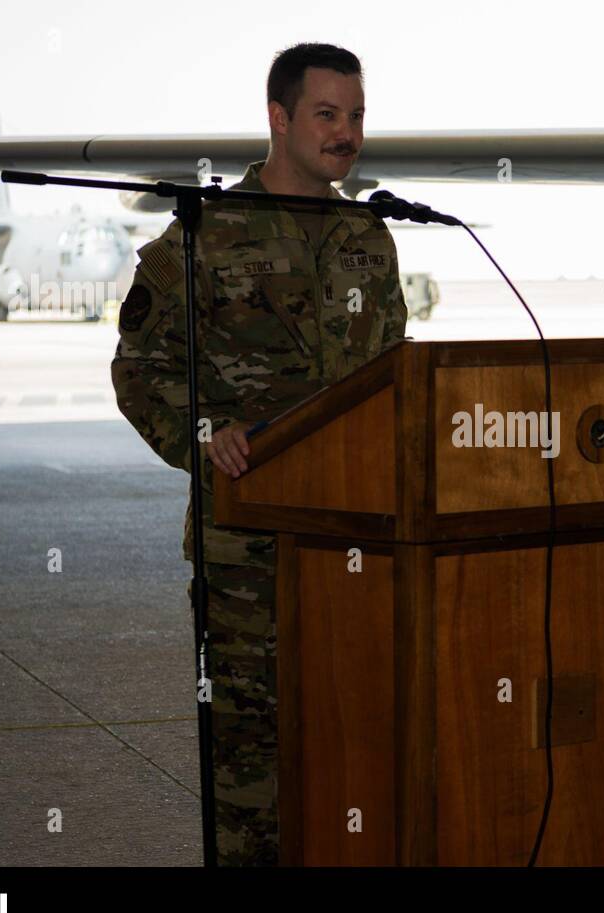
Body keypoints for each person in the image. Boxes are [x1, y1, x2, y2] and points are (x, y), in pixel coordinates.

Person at [110, 42, 408, 865]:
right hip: (245, 554)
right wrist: (203, 432)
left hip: (356, 545)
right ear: (278, 117)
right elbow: (140, 367)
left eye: (355, 116)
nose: (345, 133)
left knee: (357, 751)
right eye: (326, 114)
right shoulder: (205, 234)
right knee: (251, 768)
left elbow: (394, 375)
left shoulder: (369, 240)